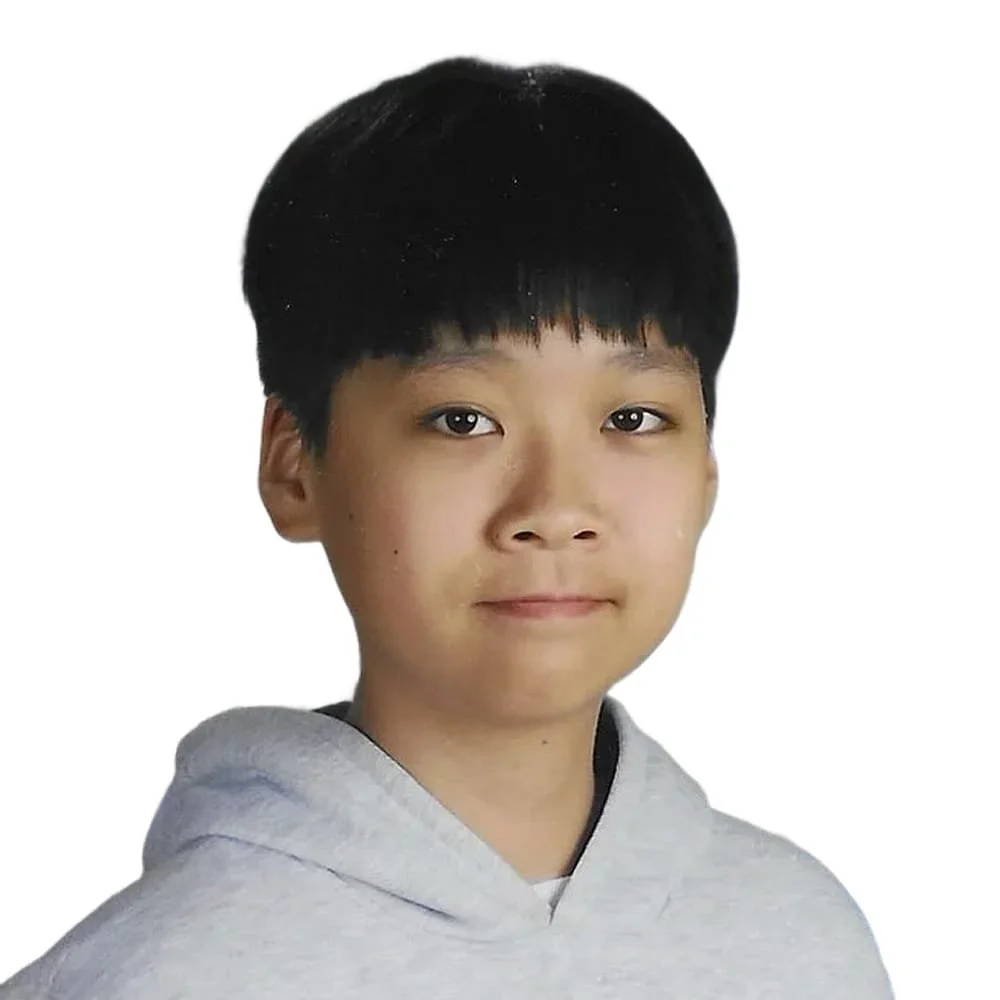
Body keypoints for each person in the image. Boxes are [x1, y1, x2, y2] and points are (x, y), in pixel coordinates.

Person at [0, 56, 895, 999]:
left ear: (707, 469)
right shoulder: (148, 979)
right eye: (464, 418)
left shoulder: (805, 943)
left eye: (632, 419)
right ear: (295, 461)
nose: (554, 507)